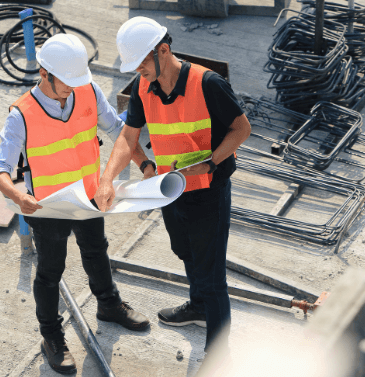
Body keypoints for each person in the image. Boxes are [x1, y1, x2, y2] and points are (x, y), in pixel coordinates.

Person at [0, 33, 151, 375]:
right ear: (44, 73)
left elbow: (119, 131)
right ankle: (51, 335)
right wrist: (19, 196)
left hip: (90, 195)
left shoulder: (88, 91)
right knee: (50, 272)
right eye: (66, 80)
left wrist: (145, 163)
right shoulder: (21, 115)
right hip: (48, 207)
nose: (72, 87)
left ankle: (108, 305)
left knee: (97, 250)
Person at [94, 17, 252, 363]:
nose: (138, 71)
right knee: (185, 251)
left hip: (209, 191)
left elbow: (241, 129)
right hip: (170, 190)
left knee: (212, 276)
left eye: (141, 63)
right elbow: (128, 137)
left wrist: (211, 162)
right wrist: (108, 179)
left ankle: (218, 353)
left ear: (162, 51)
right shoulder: (142, 87)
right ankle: (198, 307)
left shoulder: (208, 84)